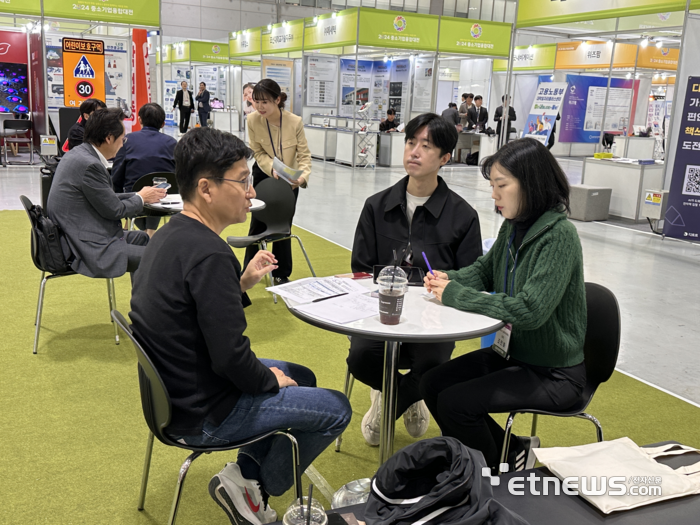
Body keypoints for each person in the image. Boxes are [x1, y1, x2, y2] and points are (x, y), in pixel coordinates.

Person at [129, 127, 351, 525]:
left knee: (302, 374)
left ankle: (243, 476)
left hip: (174, 390)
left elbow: (191, 310)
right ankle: (254, 487)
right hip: (204, 412)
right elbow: (231, 357)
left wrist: (241, 282)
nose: (251, 192)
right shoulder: (210, 255)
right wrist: (268, 381)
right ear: (206, 188)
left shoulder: (172, 237)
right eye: (243, 181)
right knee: (336, 409)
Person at [420, 138, 587, 473]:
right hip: (513, 356)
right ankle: (507, 455)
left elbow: (530, 311)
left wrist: (454, 293)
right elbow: (485, 271)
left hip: (554, 373)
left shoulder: (559, 236)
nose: (494, 194)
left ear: (531, 185)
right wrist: (447, 278)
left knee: (456, 404)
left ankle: (492, 478)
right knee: (431, 384)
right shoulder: (513, 227)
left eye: (502, 185)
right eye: (492, 185)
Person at [349, 113, 483, 447]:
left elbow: (470, 278)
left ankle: (392, 400)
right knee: (361, 358)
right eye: (411, 142)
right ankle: (406, 392)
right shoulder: (376, 206)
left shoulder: (463, 216)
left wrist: (444, 289)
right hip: (381, 313)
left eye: (426, 146)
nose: (414, 151)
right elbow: (361, 269)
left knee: (435, 364)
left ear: (445, 158)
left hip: (434, 319)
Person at [47, 108, 166, 279]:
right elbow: (114, 210)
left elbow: (105, 198)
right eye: (122, 139)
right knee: (158, 257)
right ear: (109, 138)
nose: (123, 144)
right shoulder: (90, 166)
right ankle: (147, 305)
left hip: (71, 235)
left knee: (142, 238)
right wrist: (141, 198)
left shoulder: (79, 154)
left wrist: (138, 195)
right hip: (83, 246)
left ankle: (142, 303)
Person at [244, 79, 311, 285]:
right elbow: (258, 151)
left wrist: (301, 177)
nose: (259, 106)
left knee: (284, 225)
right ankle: (248, 269)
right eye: (256, 101)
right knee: (258, 222)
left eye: (265, 102)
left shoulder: (295, 122)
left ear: (278, 100)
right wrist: (271, 168)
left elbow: (304, 156)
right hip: (265, 173)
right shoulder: (252, 120)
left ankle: (282, 272)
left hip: (291, 179)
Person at [111, 103, 177, 236]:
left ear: (139, 119)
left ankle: (146, 233)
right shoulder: (173, 143)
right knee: (157, 189)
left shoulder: (127, 141)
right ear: (163, 124)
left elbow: (117, 174)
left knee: (143, 191)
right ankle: (149, 233)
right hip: (167, 200)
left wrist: (115, 196)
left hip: (134, 199)